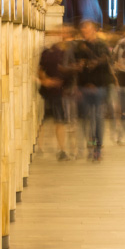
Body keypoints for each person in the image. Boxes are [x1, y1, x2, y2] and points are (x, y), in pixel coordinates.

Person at [73, 20, 113, 162]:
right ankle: (91, 144)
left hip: (99, 87)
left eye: (88, 30)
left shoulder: (101, 45)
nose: (86, 33)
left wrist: (94, 62)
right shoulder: (79, 46)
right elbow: (77, 66)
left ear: (94, 31)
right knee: (86, 119)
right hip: (84, 87)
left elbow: (106, 60)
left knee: (98, 118)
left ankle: (98, 148)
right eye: (83, 31)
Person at [38, 27, 76, 160]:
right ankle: (41, 147)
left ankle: (63, 149)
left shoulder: (68, 52)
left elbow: (74, 70)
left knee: (61, 120)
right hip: (49, 91)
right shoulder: (48, 52)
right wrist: (46, 81)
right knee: (46, 120)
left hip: (63, 91)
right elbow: (40, 69)